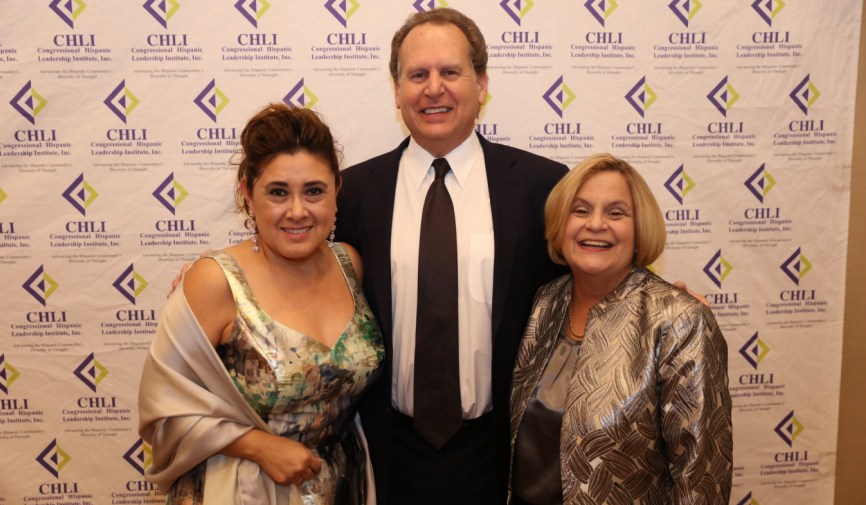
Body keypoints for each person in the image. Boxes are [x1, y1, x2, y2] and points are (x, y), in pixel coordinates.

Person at [335, 8, 568, 505]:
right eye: (417, 74)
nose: (433, 88)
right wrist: (227, 277)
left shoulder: (541, 186)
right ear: (396, 91)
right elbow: (299, 269)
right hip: (387, 452)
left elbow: (592, 278)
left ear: (481, 83)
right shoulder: (353, 192)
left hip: (502, 451)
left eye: (450, 72)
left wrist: (652, 301)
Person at [138, 104, 384, 504]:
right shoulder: (216, 280)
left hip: (343, 484)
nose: (297, 211)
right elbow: (164, 411)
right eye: (278, 192)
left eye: (314, 191)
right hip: (242, 490)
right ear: (247, 192)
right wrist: (258, 446)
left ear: (337, 190)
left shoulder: (350, 265)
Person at [508, 154, 732, 505]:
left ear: (640, 229)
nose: (596, 224)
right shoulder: (546, 302)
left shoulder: (677, 320)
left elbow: (701, 480)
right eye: (580, 210)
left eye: (616, 213)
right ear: (559, 225)